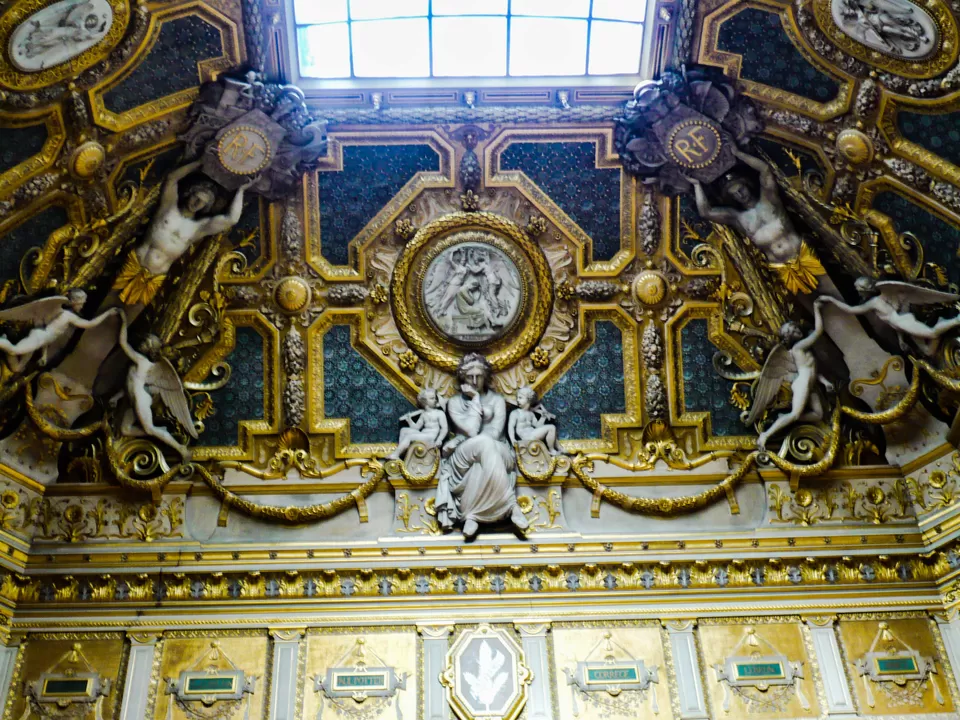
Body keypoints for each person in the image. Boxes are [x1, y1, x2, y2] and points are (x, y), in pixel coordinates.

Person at [688, 149, 826, 295]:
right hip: (781, 269)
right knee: (814, 310)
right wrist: (697, 185)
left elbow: (765, 170)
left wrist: (737, 153)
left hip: (804, 255)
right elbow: (706, 212)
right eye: (734, 194)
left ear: (747, 186)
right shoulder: (738, 218)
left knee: (833, 293)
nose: (740, 195)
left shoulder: (768, 198)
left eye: (741, 189)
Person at [435, 353, 528, 539]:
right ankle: (511, 506)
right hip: (464, 454)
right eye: (470, 377)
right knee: (482, 446)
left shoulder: (497, 400)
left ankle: (471, 515)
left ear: (486, 376)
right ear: (463, 378)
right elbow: (471, 430)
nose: (475, 380)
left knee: (483, 453)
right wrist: (476, 400)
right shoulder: (454, 403)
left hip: (499, 450)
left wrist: (462, 439)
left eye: (479, 376)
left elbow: (493, 433)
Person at [0, 291, 119, 370]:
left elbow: (47, 333)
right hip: (38, 337)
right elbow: (89, 324)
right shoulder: (68, 316)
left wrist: (44, 355)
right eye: (81, 304)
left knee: (18, 368)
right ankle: (3, 341)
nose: (82, 307)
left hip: (40, 337)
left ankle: (4, 339)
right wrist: (108, 313)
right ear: (75, 303)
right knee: (14, 350)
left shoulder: (59, 313)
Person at [388, 388, 448, 460]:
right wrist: (409, 419)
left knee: (409, 437)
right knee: (404, 430)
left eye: (435, 398)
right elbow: (416, 428)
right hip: (423, 434)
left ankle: (395, 454)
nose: (435, 400)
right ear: (424, 401)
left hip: (430, 437)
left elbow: (444, 428)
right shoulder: (423, 414)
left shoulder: (439, 413)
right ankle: (403, 452)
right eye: (432, 398)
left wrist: (439, 440)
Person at [509, 386, 562, 455]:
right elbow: (511, 427)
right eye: (517, 398)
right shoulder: (516, 413)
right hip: (527, 437)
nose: (517, 400)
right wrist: (512, 439)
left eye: (520, 398)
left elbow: (538, 426)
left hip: (533, 434)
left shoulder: (531, 414)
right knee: (551, 427)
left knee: (552, 430)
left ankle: (559, 448)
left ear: (528, 399)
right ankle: (552, 450)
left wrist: (543, 417)